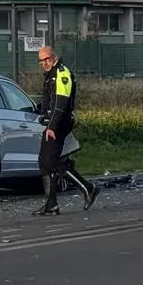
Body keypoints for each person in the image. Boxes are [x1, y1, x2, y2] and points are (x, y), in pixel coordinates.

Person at [33, 46, 97, 215]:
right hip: (52, 123)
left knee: (50, 161)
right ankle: (51, 204)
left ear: (54, 57)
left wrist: (52, 126)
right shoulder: (50, 74)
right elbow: (49, 100)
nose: (44, 63)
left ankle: (87, 188)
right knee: (44, 162)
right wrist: (42, 114)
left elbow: (61, 103)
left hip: (60, 123)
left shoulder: (61, 73)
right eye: (41, 60)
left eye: (47, 59)